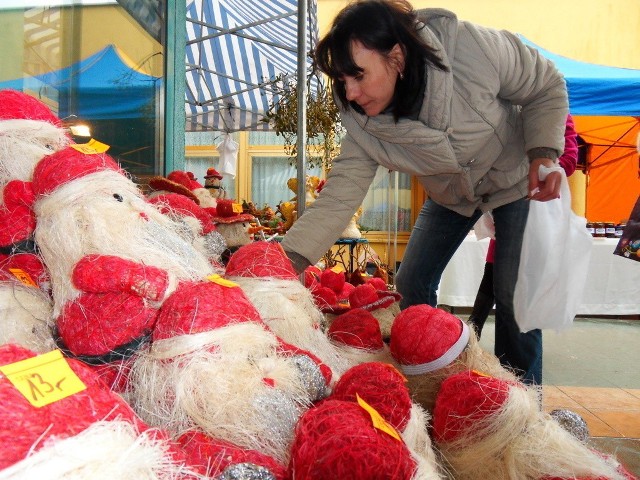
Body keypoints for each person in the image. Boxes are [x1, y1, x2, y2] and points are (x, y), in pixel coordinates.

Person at [281, 0, 569, 385]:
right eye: (341, 81)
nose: (349, 93)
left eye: (358, 76)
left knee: (515, 299)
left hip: (514, 180)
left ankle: (519, 407)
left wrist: (543, 152)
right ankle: (432, 373)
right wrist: (284, 264)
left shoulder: (471, 49)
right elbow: (338, 197)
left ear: (396, 58)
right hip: (451, 194)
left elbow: (545, 84)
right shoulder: (364, 125)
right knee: (412, 280)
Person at [468, 114, 579, 338]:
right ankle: (475, 327)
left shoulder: (555, 114)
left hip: (537, 208)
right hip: (504, 204)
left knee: (524, 279)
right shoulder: (505, 112)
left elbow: (570, 158)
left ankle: (513, 344)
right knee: (494, 269)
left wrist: (544, 169)